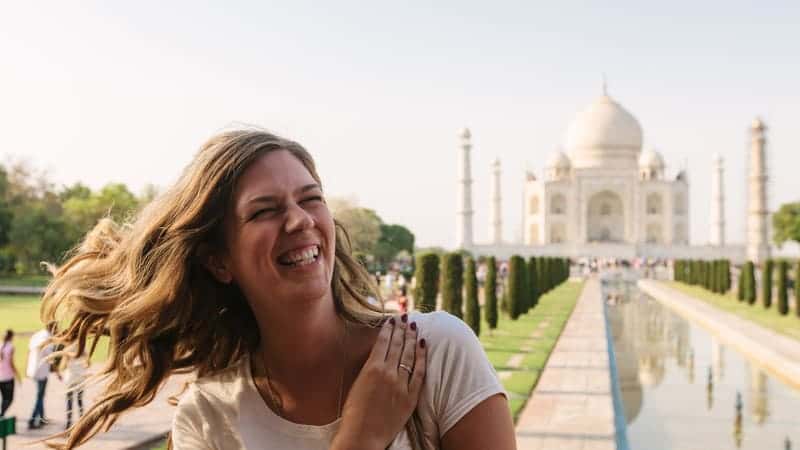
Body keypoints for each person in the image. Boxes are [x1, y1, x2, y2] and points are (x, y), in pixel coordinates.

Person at [40, 129, 516, 449]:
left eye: (311, 199)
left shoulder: (433, 353)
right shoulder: (210, 418)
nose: (300, 220)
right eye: (265, 210)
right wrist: (362, 437)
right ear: (218, 260)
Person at [26, 322, 56, 429]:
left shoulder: (38, 335)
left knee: (41, 395)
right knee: (39, 396)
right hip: (41, 372)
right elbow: (50, 357)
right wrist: (57, 370)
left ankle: (42, 418)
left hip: (33, 369)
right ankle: (32, 420)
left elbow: (29, 350)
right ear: (52, 328)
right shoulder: (48, 339)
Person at [56, 344, 89, 430]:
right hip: (80, 378)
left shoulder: (68, 348)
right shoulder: (83, 348)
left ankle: (68, 424)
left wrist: (59, 372)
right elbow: (88, 363)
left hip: (70, 378)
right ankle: (82, 423)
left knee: (69, 401)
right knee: (80, 400)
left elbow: (63, 365)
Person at [0, 329, 21, 417]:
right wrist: (17, 375)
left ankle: (2, 414)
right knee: (9, 399)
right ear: (11, 337)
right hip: (8, 377)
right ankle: (1, 414)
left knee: (4, 398)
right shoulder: (11, 347)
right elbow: (11, 363)